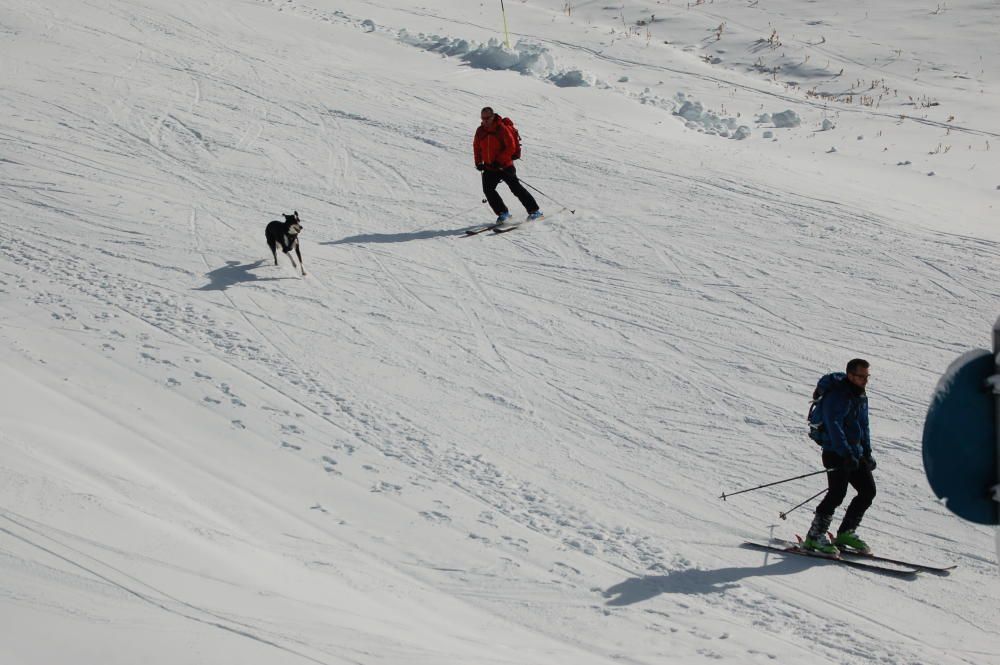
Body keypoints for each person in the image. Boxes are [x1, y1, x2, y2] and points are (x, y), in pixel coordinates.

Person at [802, 358, 877, 555]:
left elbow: (863, 425)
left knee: (868, 491)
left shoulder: (860, 395)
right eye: (861, 376)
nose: (865, 380)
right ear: (850, 375)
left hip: (854, 452)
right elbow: (834, 426)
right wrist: (845, 453)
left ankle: (846, 533)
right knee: (837, 494)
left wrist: (866, 452)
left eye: (867, 376)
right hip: (835, 452)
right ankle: (814, 537)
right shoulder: (837, 396)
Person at [473, 107, 542, 224]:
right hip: (490, 167)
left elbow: (511, 147)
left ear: (493, 116)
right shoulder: (480, 131)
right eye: (482, 118)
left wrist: (499, 161)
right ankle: (503, 213)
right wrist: (478, 162)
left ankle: (534, 211)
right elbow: (476, 147)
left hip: (504, 166)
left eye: (487, 118)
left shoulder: (502, 129)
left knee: (516, 189)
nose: (485, 120)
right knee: (488, 190)